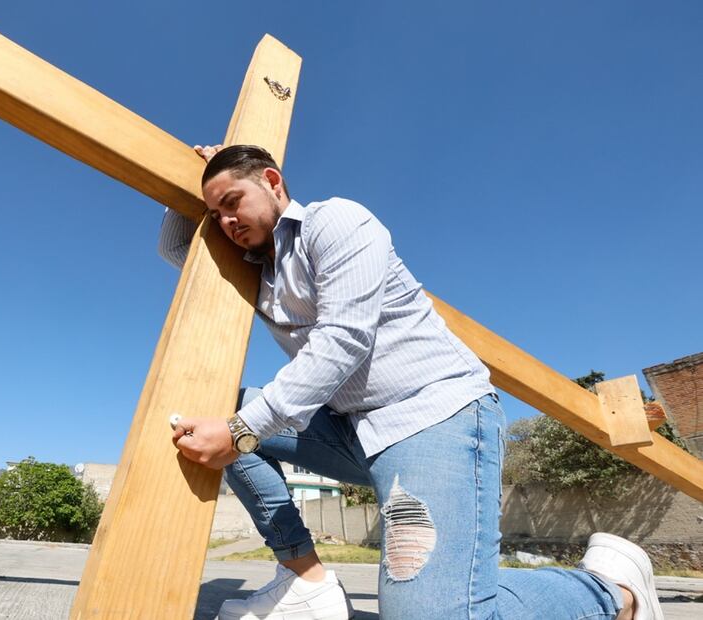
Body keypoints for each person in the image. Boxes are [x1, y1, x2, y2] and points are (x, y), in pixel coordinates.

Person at [162, 144, 664, 620]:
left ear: (272, 182)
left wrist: (240, 429)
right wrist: (190, 175)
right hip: (351, 432)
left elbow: (344, 338)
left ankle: (608, 587)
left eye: (233, 203)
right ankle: (307, 581)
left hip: (432, 418)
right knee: (216, 407)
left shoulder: (335, 221)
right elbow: (174, 247)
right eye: (217, 212)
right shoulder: (257, 272)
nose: (226, 222)